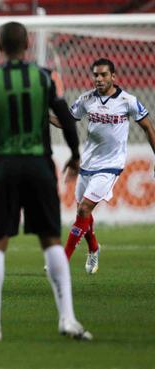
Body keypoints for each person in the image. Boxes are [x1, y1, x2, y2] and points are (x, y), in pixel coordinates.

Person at [0, 22, 91, 341]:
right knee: (50, 240)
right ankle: (68, 319)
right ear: (28, 45)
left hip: (4, 165)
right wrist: (75, 155)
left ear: (0, 48)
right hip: (39, 165)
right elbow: (66, 119)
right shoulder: (48, 76)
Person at [51, 58, 155, 274]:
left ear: (113, 77)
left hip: (111, 165)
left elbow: (147, 127)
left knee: (83, 209)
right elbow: (66, 121)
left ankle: (62, 261)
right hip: (88, 163)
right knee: (83, 214)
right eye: (96, 75)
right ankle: (94, 249)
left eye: (103, 75)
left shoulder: (128, 101)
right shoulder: (86, 99)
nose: (99, 79)